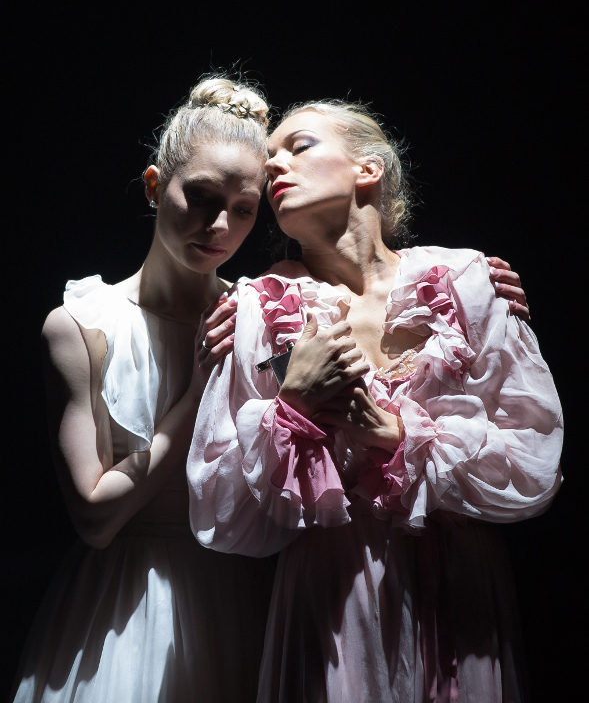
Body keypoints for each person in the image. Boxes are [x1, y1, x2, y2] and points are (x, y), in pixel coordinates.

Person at [187, 100, 562, 702]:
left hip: (459, 597)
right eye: (268, 159)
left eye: (298, 146)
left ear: (369, 168)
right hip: (334, 596)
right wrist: (292, 409)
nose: (275, 165)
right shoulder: (263, 308)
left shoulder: (463, 281)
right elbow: (222, 506)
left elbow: (535, 461)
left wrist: (403, 437)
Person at [11, 77, 277, 703]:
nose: (220, 225)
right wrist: (195, 396)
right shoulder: (84, 325)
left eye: (243, 209)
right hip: (127, 611)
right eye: (202, 196)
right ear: (156, 184)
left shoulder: (265, 319)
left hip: (243, 600)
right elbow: (95, 518)